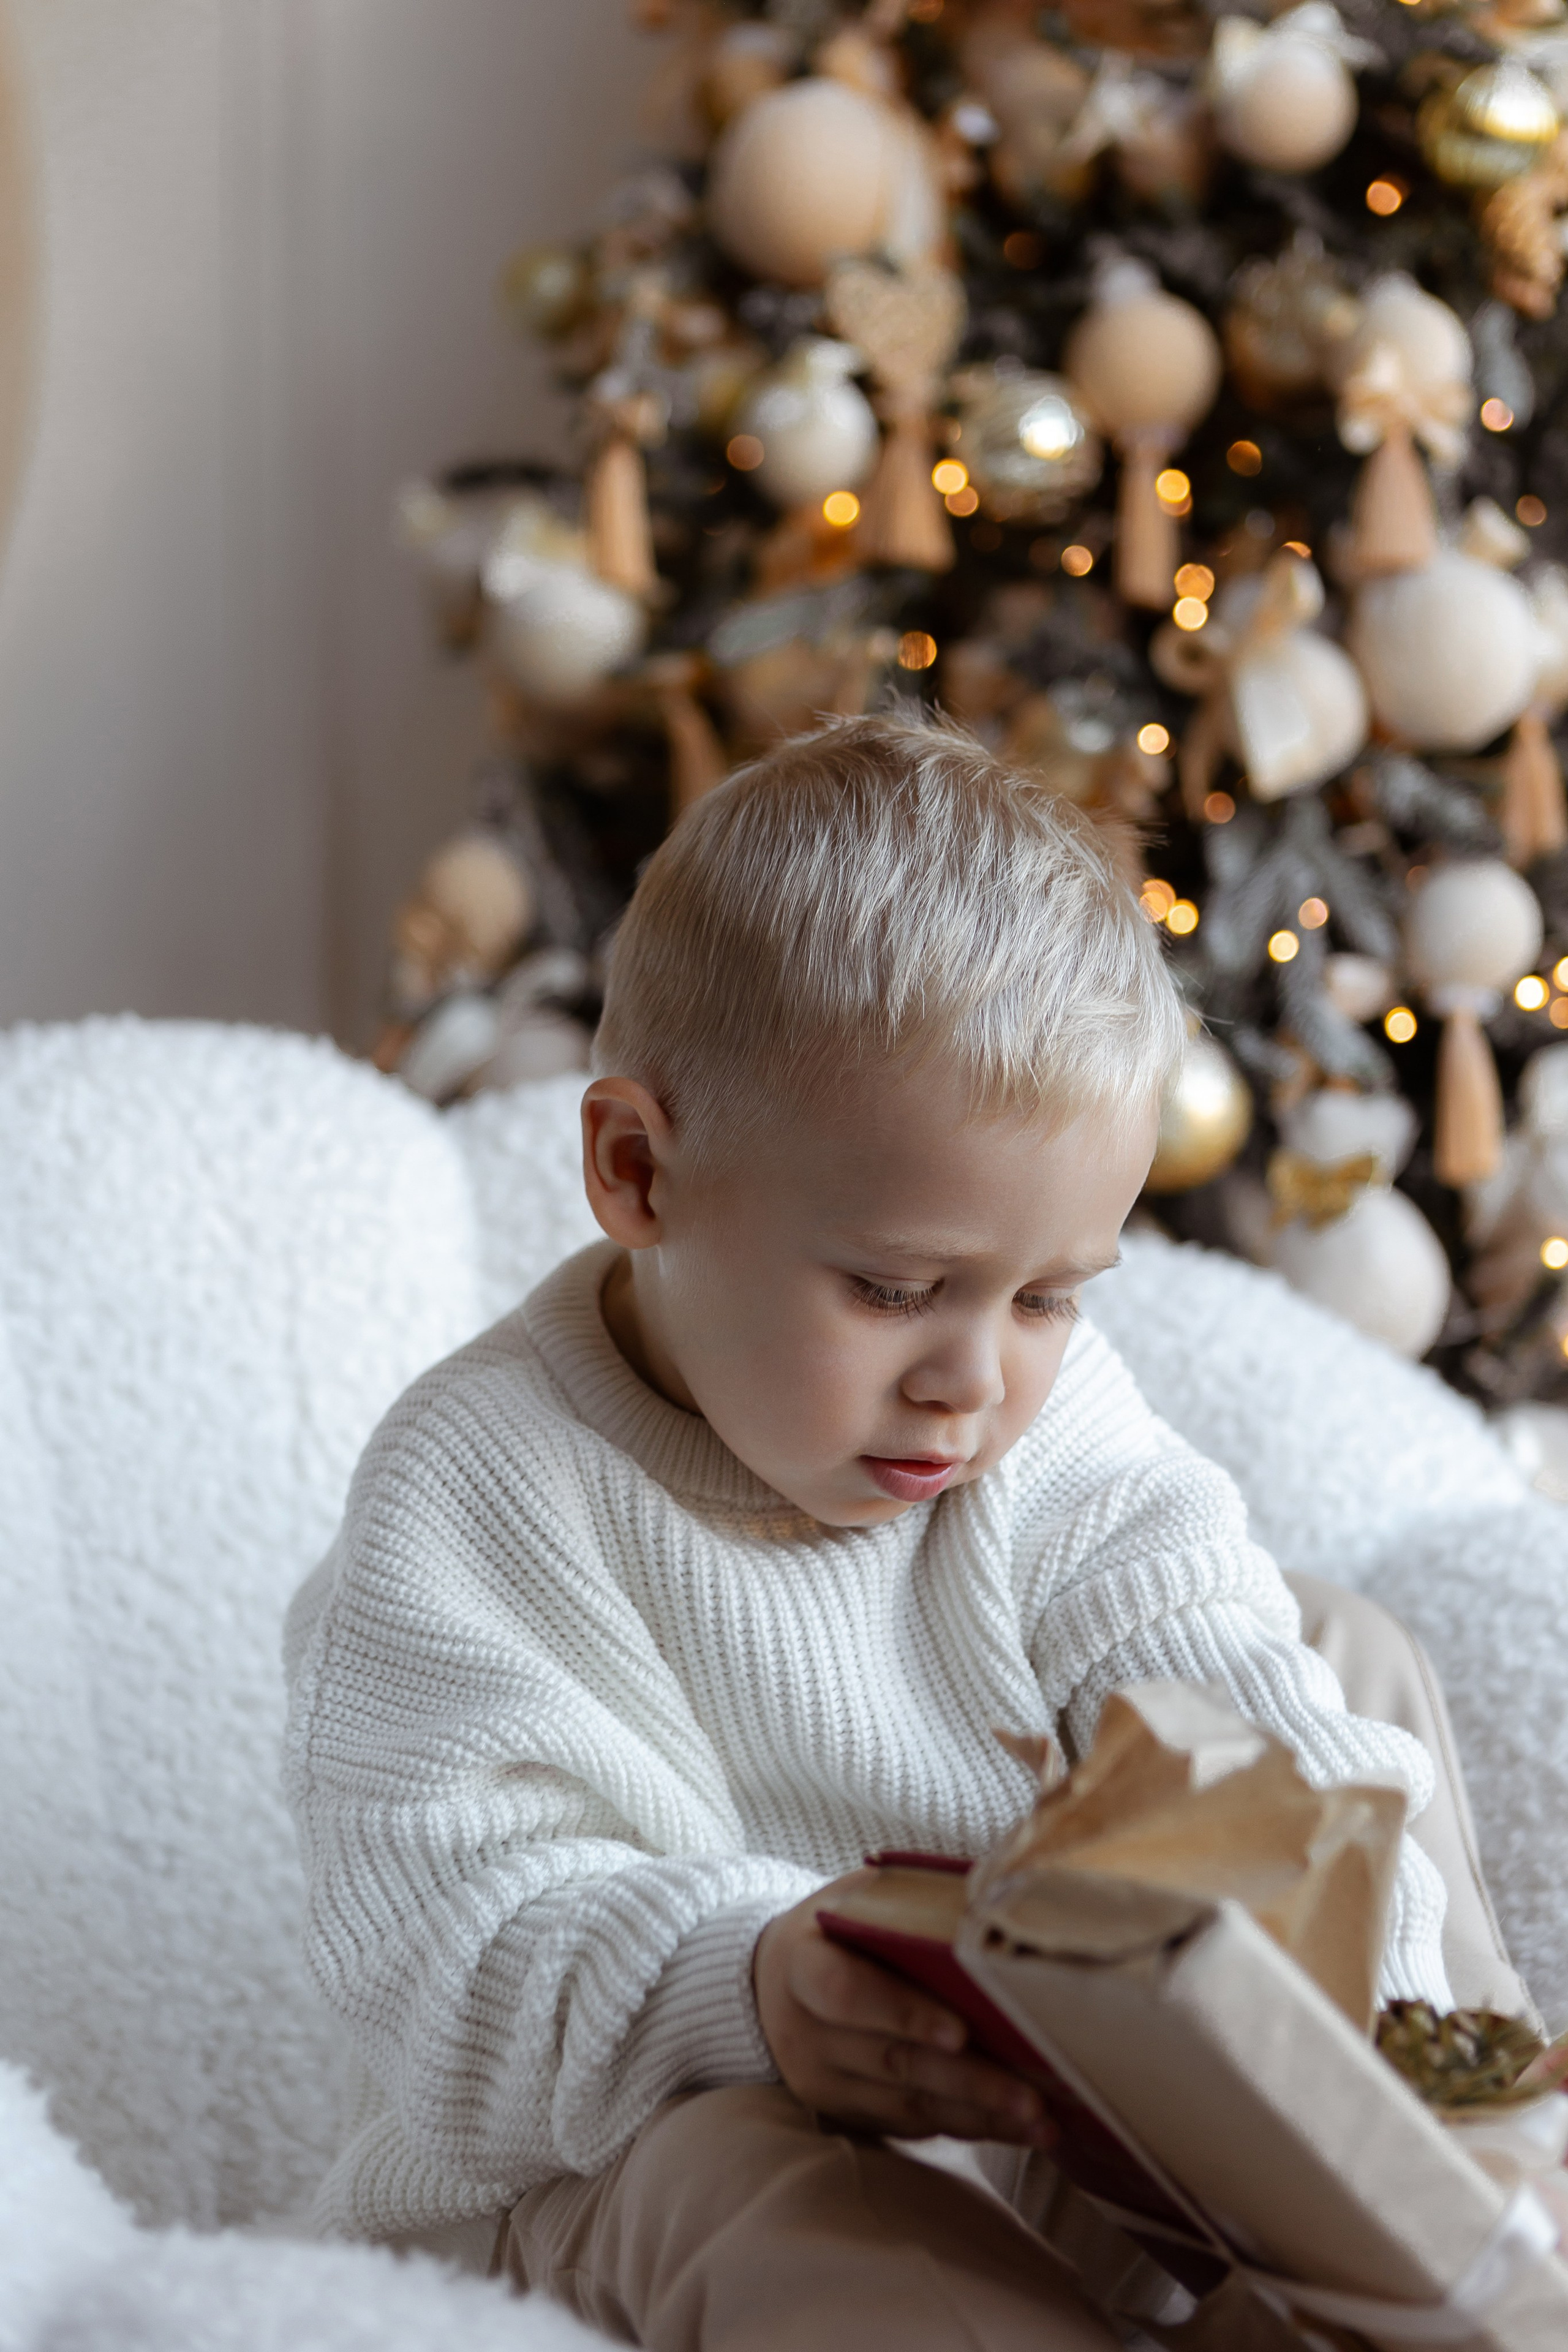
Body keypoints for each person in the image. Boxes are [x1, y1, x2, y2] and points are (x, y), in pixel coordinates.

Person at [283, 714, 1528, 2351]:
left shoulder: (1030, 1411)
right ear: (638, 1172)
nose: (973, 1379)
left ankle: (1458, 2212)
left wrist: (1345, 1986)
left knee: (1332, 1660)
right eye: (892, 1290)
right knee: (745, 2170)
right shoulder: (477, 1492)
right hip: (602, 2179)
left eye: (1051, 1299)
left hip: (1033, 2155)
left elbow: (1211, 1640)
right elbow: (451, 1960)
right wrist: (748, 1988)